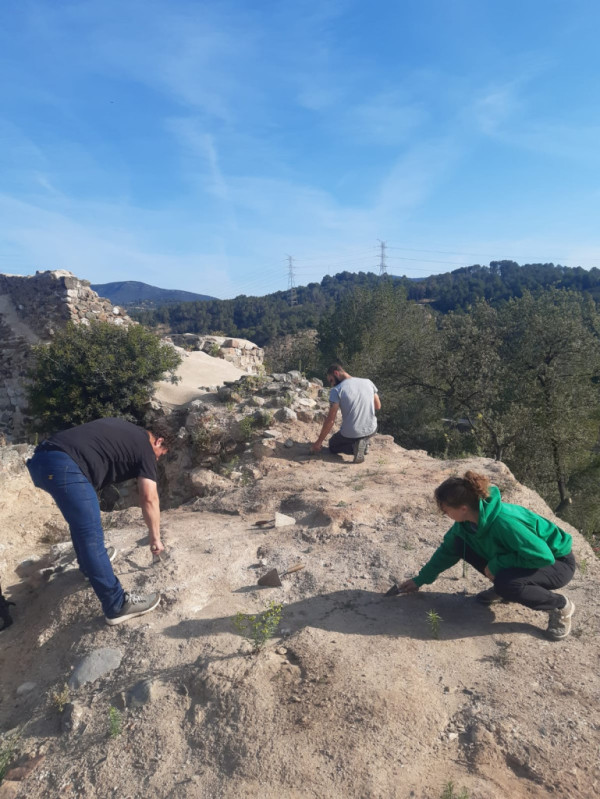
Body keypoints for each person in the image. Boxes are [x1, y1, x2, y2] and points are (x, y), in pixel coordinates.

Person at [396, 471, 576, 640]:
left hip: (558, 563)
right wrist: (420, 580)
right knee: (461, 545)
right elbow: (447, 551)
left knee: (508, 583)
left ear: (463, 508)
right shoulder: (465, 524)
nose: (445, 514)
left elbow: (542, 556)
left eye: (446, 510)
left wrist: (497, 564)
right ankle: (504, 587)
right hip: (527, 557)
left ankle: (560, 606)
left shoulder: (504, 522)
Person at [26, 417, 172, 625]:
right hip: (65, 466)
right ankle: (117, 605)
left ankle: (89, 567)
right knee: (92, 537)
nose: (156, 460)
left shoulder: (127, 430)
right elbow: (149, 497)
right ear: (158, 441)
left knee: (82, 526)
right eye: (161, 455)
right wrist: (155, 537)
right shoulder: (145, 448)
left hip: (44, 459)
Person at [310, 363, 381, 463]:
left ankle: (355, 447)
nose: (332, 384)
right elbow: (378, 406)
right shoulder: (368, 382)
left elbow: (331, 420)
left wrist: (319, 442)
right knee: (367, 431)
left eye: (331, 380)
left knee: (333, 445)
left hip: (351, 432)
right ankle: (363, 443)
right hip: (371, 428)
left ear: (336, 373)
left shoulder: (337, 390)